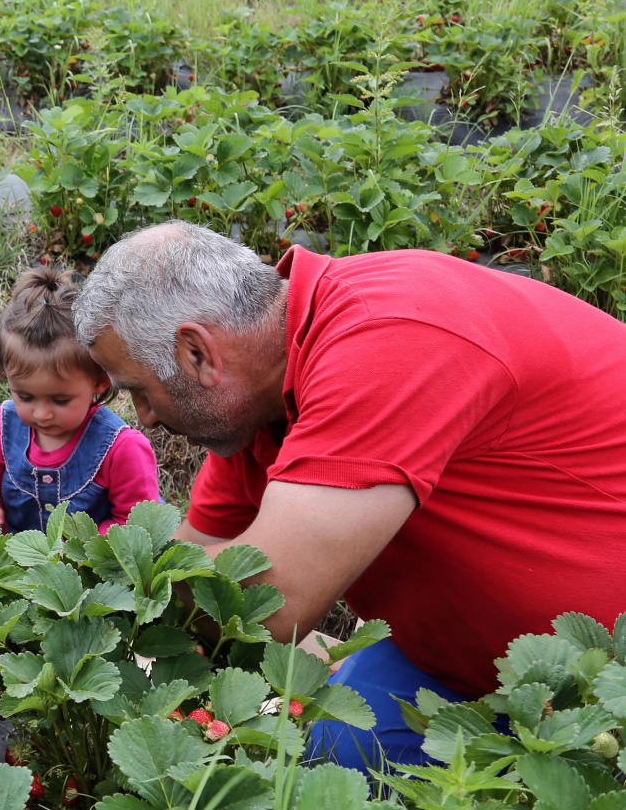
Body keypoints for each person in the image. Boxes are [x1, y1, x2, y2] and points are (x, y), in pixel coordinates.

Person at [73, 221, 626, 769]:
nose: (144, 419)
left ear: (198, 354)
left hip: (604, 681)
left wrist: (107, 573)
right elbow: (203, 562)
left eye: (141, 392)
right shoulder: (257, 407)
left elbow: (271, 599)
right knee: (334, 755)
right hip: (462, 667)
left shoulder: (386, 337)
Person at [0, 266, 159, 533]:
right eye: (25, 396)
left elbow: (136, 523)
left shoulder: (121, 449)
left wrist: (82, 550)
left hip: (91, 569)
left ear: (100, 381)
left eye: (60, 400)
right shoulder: (0, 428)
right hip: (13, 563)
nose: (41, 414)